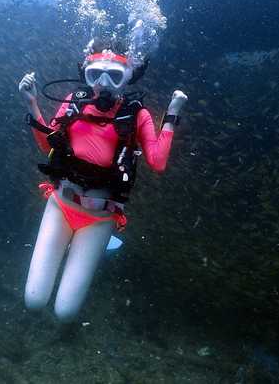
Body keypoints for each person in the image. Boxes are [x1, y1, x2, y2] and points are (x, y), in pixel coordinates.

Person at [18, 38, 187, 322]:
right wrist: (32, 103)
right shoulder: (74, 103)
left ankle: (95, 247)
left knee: (65, 313)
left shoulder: (137, 114)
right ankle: (78, 246)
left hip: (100, 218)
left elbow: (157, 162)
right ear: (85, 73)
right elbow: (49, 146)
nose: (103, 83)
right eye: (95, 74)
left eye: (115, 75)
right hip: (61, 205)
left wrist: (172, 114)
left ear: (129, 78)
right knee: (34, 301)